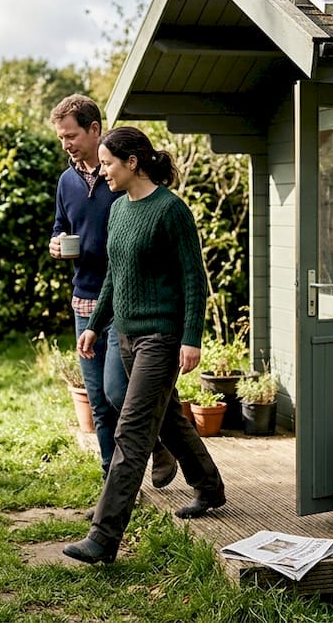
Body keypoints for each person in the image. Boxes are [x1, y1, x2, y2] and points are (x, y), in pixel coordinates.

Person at [63, 126, 226, 565]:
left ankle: (103, 537)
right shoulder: (118, 210)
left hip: (162, 337)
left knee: (131, 432)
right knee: (166, 415)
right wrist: (96, 325)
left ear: (132, 162)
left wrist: (192, 338)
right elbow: (115, 276)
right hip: (127, 336)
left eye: (109, 164)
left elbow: (194, 278)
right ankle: (209, 486)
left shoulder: (170, 211)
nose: (104, 172)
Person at [48, 95, 177, 499]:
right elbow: (60, 225)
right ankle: (115, 487)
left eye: (71, 135)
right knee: (101, 404)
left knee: (119, 394)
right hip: (85, 301)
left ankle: (157, 446)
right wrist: (56, 243)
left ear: (94, 129)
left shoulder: (119, 176)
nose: (66, 144)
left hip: (127, 302)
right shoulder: (66, 181)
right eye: (61, 138)